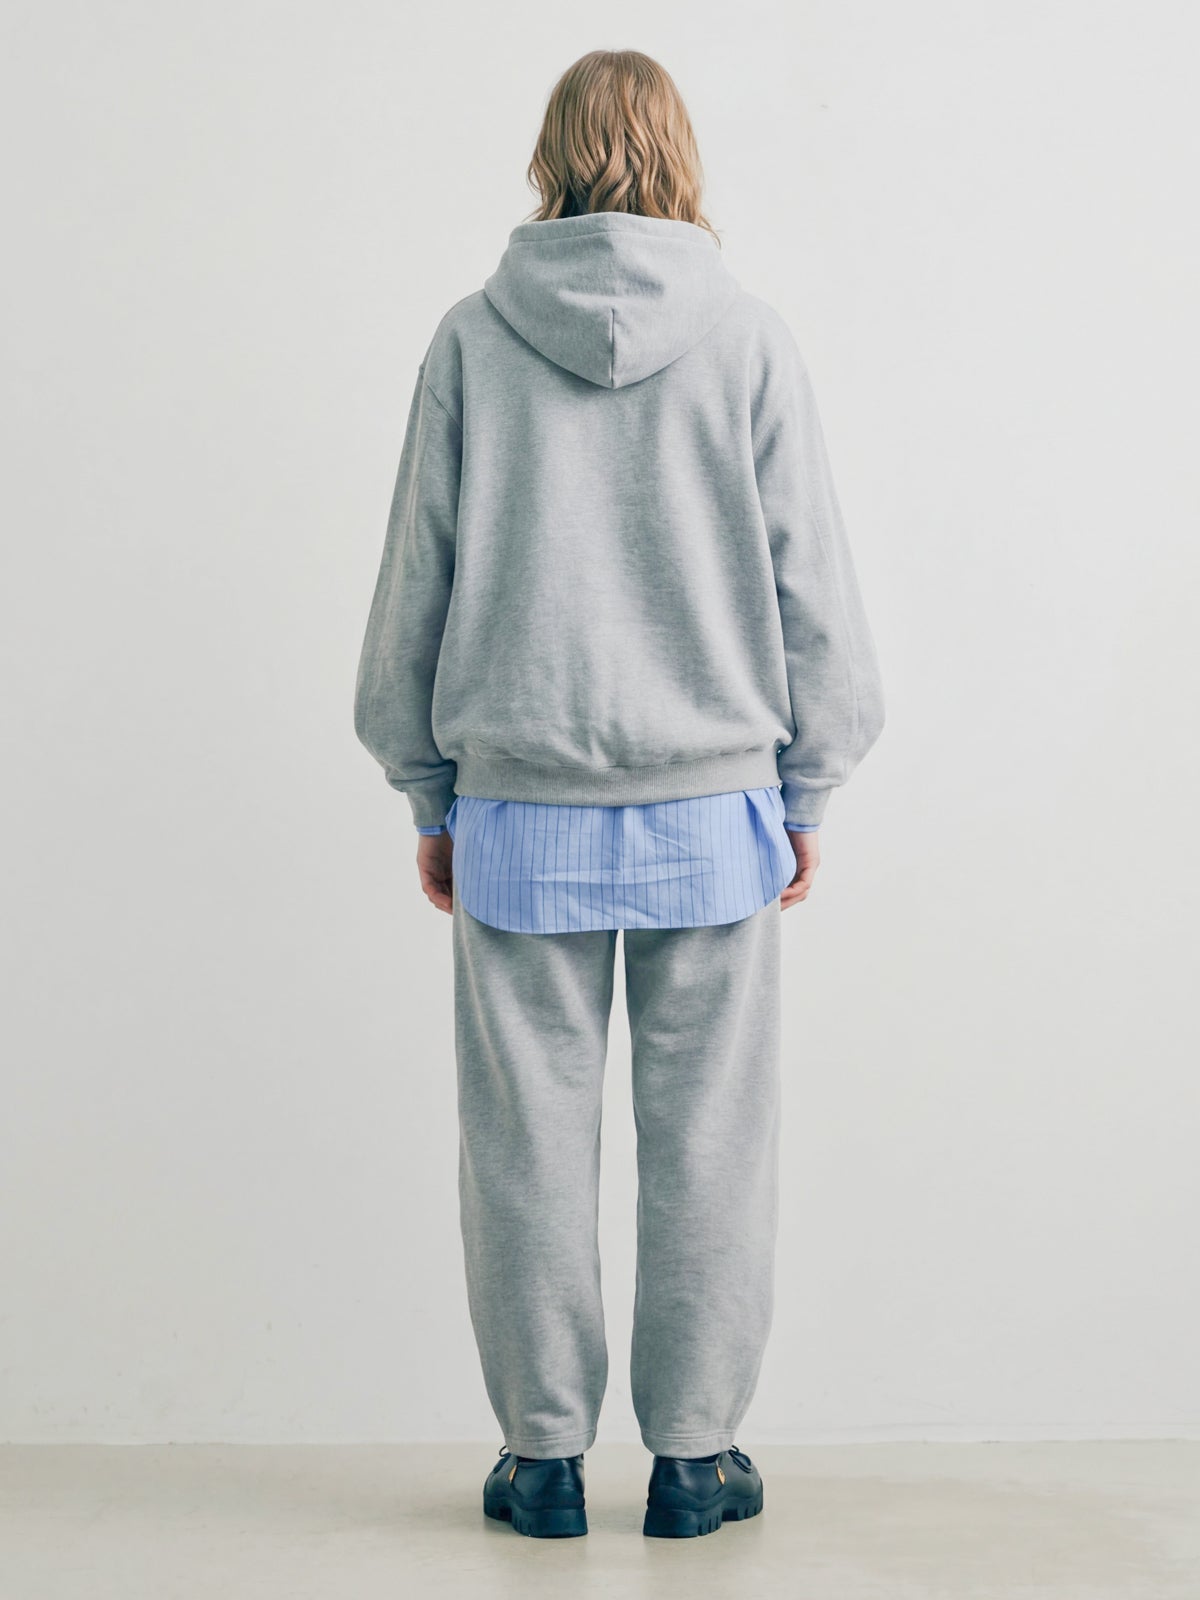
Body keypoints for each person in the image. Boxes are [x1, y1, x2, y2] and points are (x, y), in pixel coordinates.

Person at [354, 48, 885, 1540]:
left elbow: (414, 583)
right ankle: (696, 1462)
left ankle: (540, 1464)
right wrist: (808, 788)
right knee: (712, 1139)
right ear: (677, 153)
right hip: (715, 815)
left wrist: (429, 792)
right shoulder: (749, 339)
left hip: (518, 811)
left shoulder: (475, 339)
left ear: (554, 156)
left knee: (523, 1145)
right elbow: (814, 586)